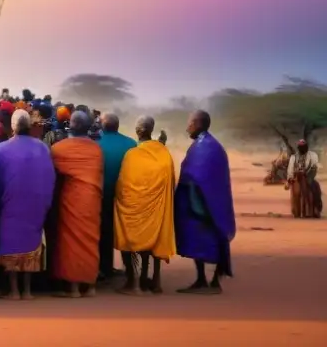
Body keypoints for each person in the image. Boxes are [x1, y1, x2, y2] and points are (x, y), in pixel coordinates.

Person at [0, 108, 55, 300]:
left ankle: (14, 290)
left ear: (13, 128)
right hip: (36, 206)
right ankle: (27, 290)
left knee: (11, 244)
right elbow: (50, 178)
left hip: (10, 206)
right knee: (30, 243)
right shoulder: (43, 148)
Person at [174, 110, 235, 294]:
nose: (187, 128)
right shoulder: (209, 145)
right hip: (206, 202)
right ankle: (204, 280)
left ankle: (212, 281)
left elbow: (197, 175)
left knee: (210, 240)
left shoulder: (205, 147)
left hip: (203, 205)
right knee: (205, 240)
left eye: (190, 124)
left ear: (198, 124)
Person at [113, 115, 176, 295]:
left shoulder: (132, 154)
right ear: (151, 130)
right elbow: (171, 180)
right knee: (155, 238)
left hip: (133, 208)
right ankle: (155, 280)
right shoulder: (163, 152)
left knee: (130, 238)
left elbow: (123, 184)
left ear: (137, 131)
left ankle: (134, 283)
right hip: (156, 207)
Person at [50, 110, 103, 298]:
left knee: (71, 242)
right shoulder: (96, 149)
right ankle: (90, 286)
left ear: (70, 124)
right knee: (90, 241)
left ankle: (73, 288)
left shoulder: (59, 149)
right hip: (92, 200)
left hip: (71, 200)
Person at [97, 112, 136, 279]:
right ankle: (131, 271)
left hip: (102, 196)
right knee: (127, 232)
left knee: (104, 232)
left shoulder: (96, 145)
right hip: (126, 197)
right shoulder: (131, 144)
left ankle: (106, 268)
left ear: (102, 126)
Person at [287, 139, 321, 218]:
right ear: (298, 148)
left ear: (306, 147)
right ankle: (296, 210)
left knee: (316, 189)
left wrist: (308, 176)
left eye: (304, 147)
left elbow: (314, 167)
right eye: (301, 147)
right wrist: (290, 177)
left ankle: (316, 209)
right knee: (294, 190)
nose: (302, 148)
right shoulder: (293, 157)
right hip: (297, 177)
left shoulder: (313, 156)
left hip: (308, 176)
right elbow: (290, 168)